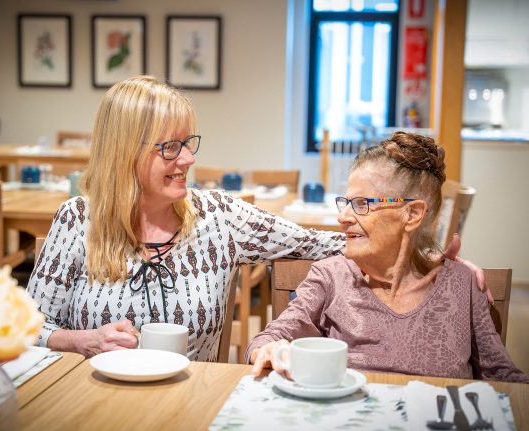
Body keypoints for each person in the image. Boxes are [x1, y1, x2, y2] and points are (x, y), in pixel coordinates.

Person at [27, 76, 488, 362]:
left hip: (189, 403)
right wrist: (76, 340)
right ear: (124, 153)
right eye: (170, 147)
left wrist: (428, 261)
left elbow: (326, 243)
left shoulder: (218, 217)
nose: (187, 159)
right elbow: (26, 329)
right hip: (91, 397)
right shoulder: (76, 221)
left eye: (190, 143)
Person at [248, 132, 528, 383]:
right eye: (345, 202)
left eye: (360, 204)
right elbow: (268, 339)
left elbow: (504, 377)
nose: (343, 217)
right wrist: (270, 348)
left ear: (412, 214)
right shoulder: (332, 276)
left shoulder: (462, 285)